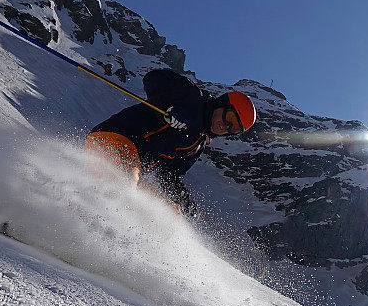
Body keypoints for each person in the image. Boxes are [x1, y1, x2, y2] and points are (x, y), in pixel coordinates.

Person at [85, 69, 256, 216]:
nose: (225, 126)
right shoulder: (192, 98)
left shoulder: (198, 145)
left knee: (170, 213)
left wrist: (183, 197)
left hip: (132, 167)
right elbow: (154, 78)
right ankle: (86, 228)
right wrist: (167, 109)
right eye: (230, 118)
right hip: (114, 138)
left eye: (233, 128)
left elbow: (168, 174)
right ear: (222, 104)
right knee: (126, 184)